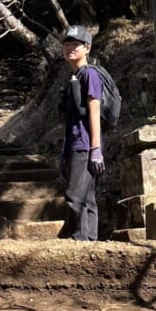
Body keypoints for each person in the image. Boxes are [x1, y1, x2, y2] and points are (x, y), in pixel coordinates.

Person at [59, 24, 105, 241]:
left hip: (84, 145)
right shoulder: (76, 77)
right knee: (86, 198)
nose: (69, 48)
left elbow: (94, 110)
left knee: (75, 196)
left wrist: (96, 148)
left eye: (74, 44)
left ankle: (78, 240)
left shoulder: (90, 75)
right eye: (66, 44)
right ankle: (89, 242)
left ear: (87, 48)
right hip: (75, 144)